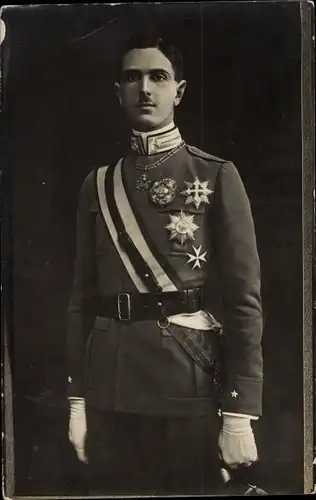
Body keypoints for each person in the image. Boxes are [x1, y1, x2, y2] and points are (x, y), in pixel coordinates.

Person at [66, 29, 263, 496]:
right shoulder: (97, 184)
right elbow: (80, 301)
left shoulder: (213, 175)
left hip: (185, 385)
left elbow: (244, 303)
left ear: (179, 89)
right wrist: (77, 401)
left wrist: (238, 412)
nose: (145, 88)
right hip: (110, 389)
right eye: (132, 78)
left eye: (158, 76)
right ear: (118, 92)